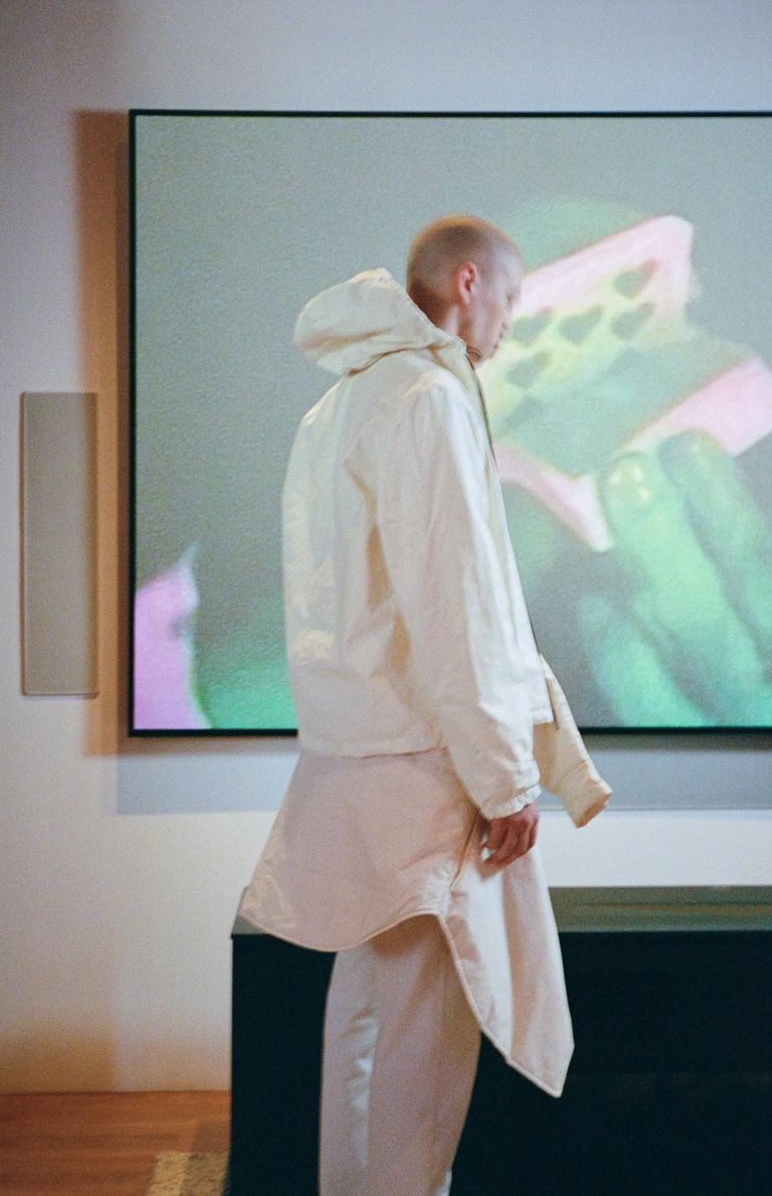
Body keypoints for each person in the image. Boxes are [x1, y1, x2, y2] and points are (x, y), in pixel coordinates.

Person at [237, 215, 610, 1195]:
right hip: (423, 761)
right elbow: (457, 605)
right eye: (512, 301)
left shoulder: (340, 404)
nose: (511, 326)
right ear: (469, 283)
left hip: (356, 756)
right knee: (427, 1034)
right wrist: (507, 779)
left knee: (368, 1009)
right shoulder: (430, 398)